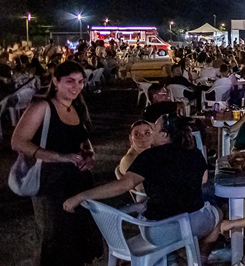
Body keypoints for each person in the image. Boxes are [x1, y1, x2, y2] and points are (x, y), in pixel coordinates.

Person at [64, 115, 221, 263]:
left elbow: (123, 185)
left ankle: (184, 258)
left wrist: (81, 196)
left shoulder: (150, 156)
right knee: (218, 213)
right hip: (193, 223)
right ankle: (200, 258)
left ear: (164, 135)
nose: (151, 130)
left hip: (156, 231)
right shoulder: (194, 153)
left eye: (154, 127)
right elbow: (204, 179)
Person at [11, 61, 101, 266]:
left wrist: (90, 155)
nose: (76, 87)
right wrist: (59, 156)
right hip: (51, 184)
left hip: (79, 182)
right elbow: (17, 141)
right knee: (56, 239)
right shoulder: (43, 106)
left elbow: (83, 139)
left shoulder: (77, 106)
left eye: (80, 82)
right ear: (55, 81)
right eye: (70, 81)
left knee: (79, 238)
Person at [118, 120, 154, 196]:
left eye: (147, 133)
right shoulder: (129, 160)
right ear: (131, 138)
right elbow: (141, 188)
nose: (142, 137)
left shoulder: (152, 153)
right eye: (137, 134)